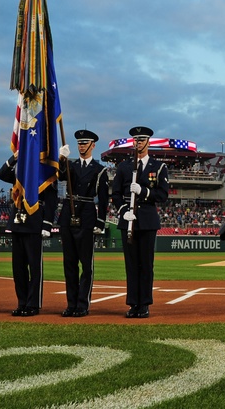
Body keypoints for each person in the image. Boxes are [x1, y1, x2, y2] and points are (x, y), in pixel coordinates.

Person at [111, 126, 169, 319]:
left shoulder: (158, 167)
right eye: (136, 140)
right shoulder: (124, 167)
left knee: (146, 264)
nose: (139, 143)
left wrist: (144, 192)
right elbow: (116, 194)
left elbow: (162, 195)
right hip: (129, 219)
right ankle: (133, 303)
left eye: (142, 139)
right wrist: (123, 211)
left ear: (148, 142)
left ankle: (144, 304)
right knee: (131, 264)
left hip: (147, 220)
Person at [56, 130, 110, 317]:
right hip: (67, 216)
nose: (81, 146)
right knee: (69, 264)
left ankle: (82, 304)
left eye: (85, 143)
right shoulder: (70, 166)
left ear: (92, 145)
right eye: (79, 143)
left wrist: (101, 221)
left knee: (86, 265)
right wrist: (61, 159)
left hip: (86, 216)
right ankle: (71, 304)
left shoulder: (99, 169)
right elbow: (59, 176)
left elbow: (103, 199)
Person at [0, 152, 58, 317]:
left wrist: (47, 223)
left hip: (34, 221)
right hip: (18, 221)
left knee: (34, 266)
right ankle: (22, 302)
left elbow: (52, 199)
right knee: (18, 268)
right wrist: (14, 158)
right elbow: (2, 174)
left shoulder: (45, 170)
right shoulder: (19, 169)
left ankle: (33, 304)